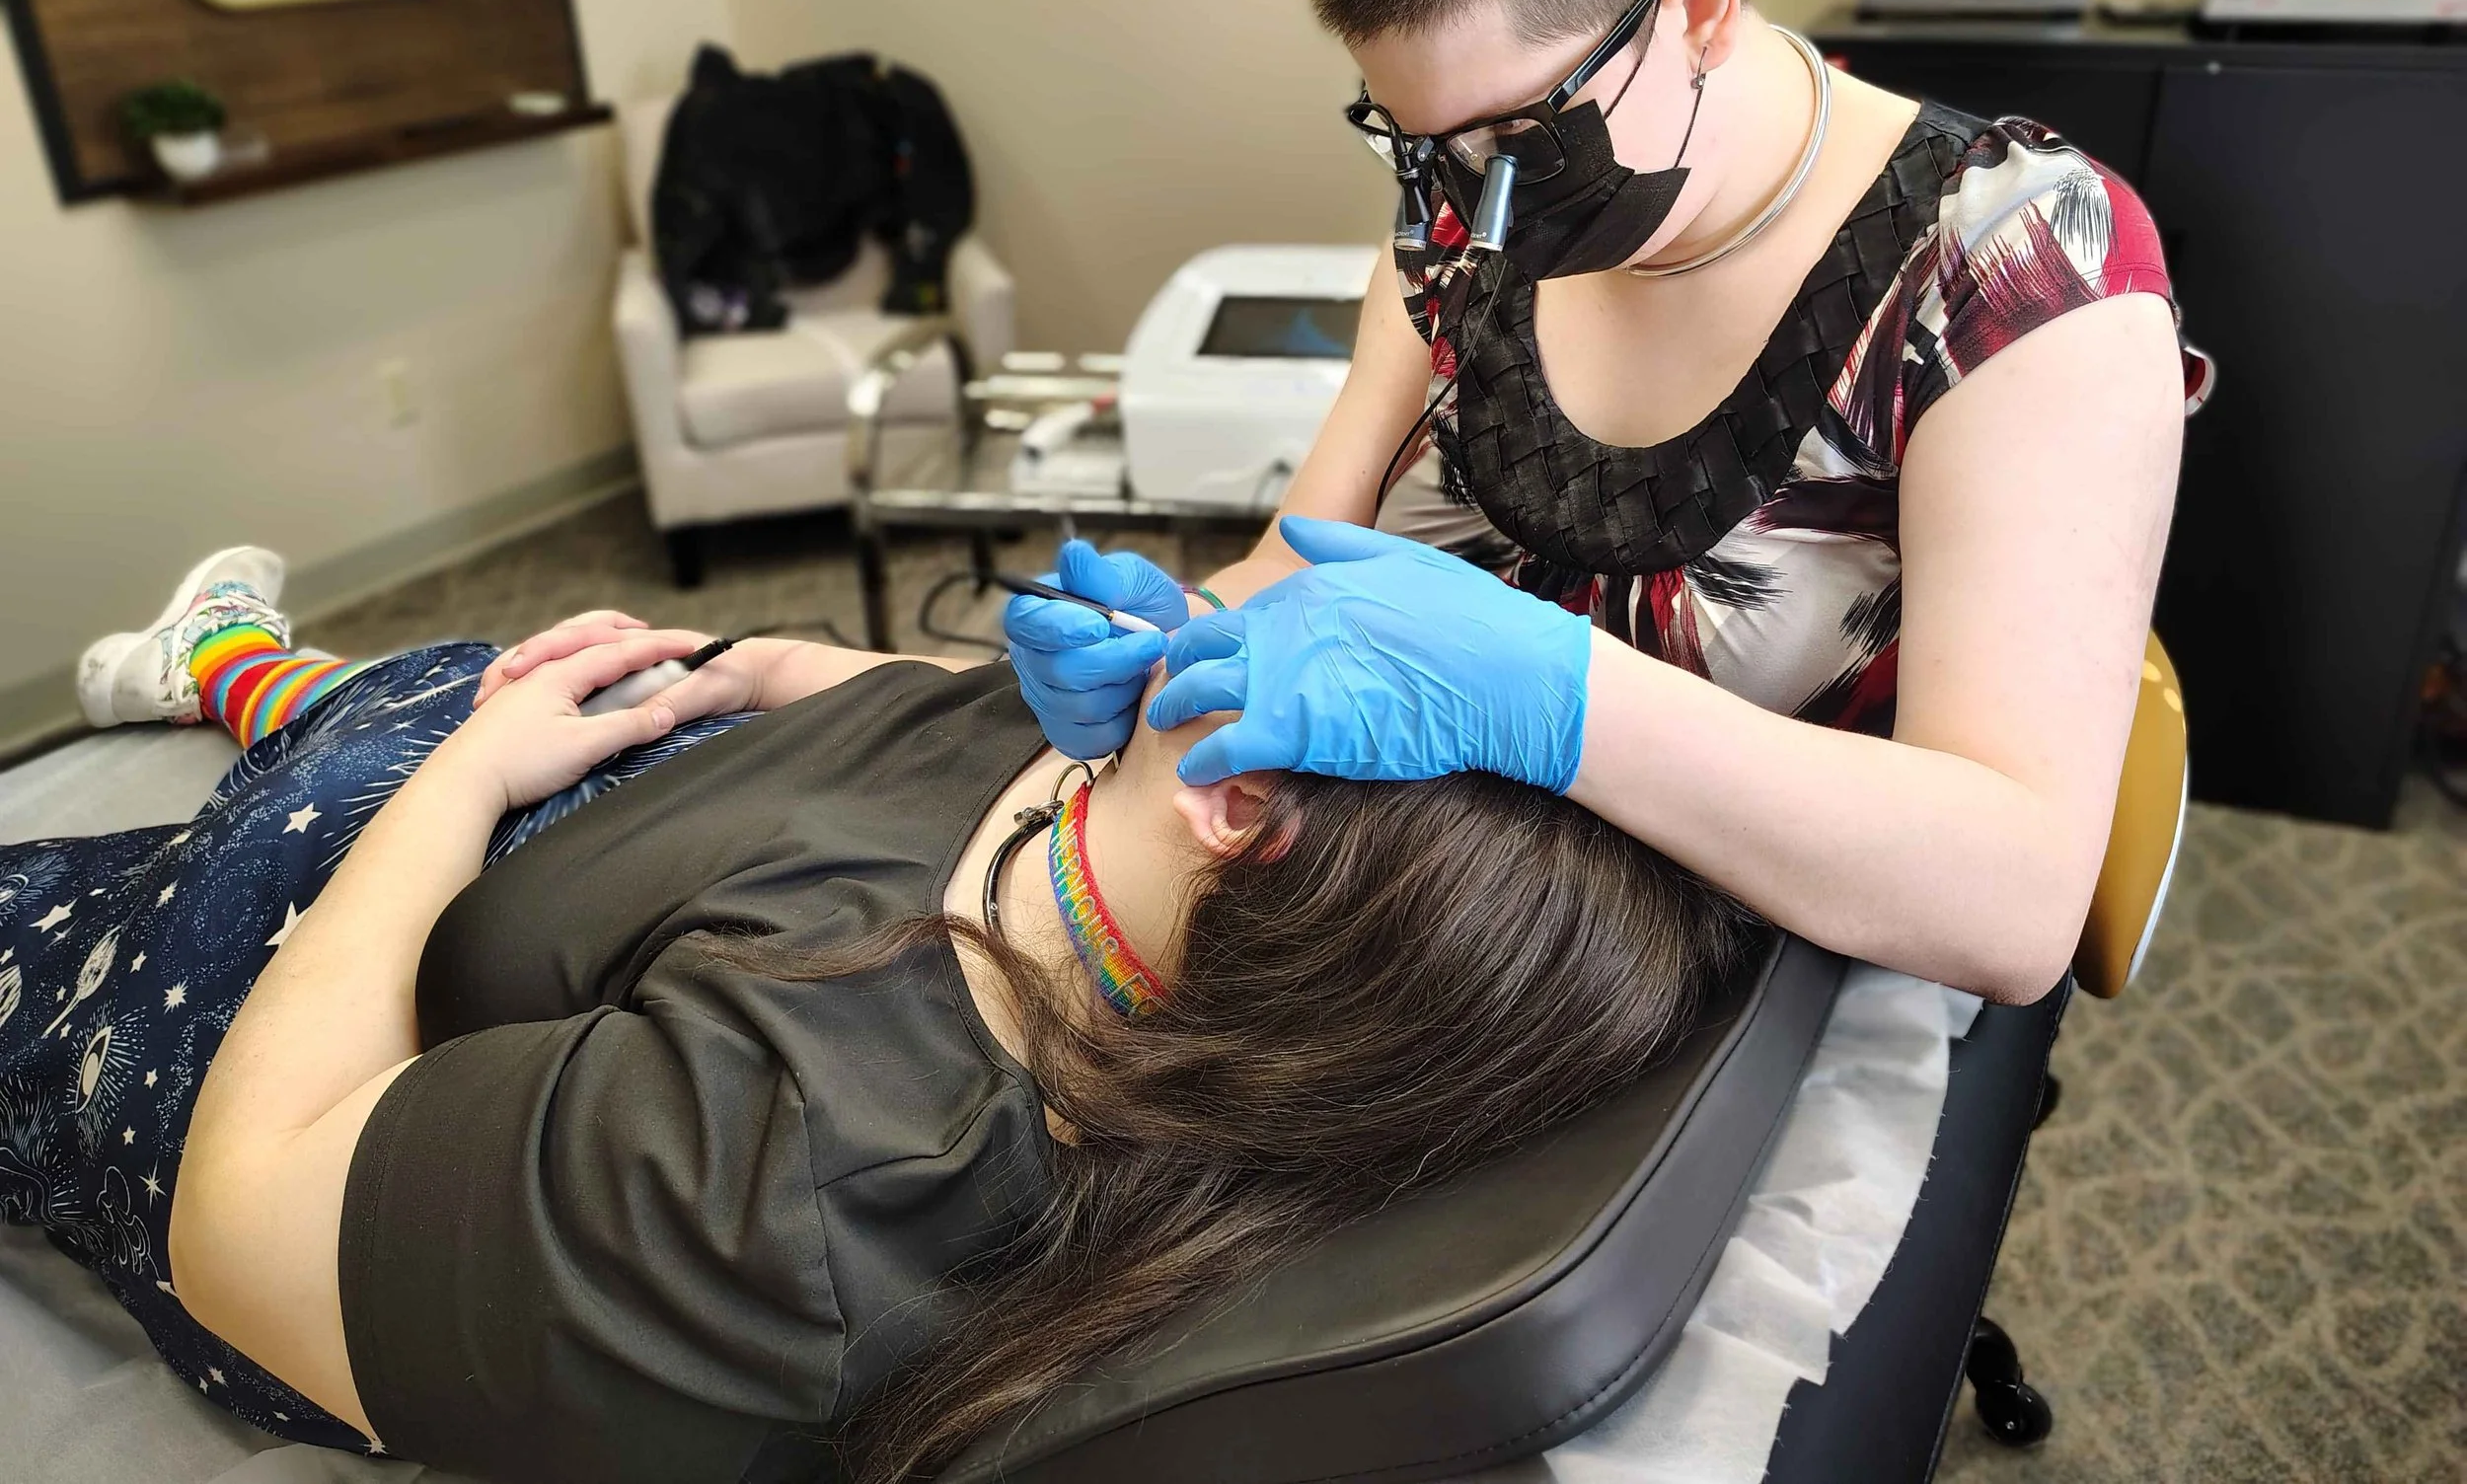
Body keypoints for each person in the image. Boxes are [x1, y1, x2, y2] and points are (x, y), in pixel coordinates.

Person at [7, 547, 1758, 1484]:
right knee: (395, 696)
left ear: (1246, 803)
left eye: (1265, 624)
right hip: (569, 773)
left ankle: (272, 697)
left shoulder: (784, 1188)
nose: (1215, 601)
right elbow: (888, 713)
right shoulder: (1145, 847)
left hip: (263, 1006)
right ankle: (236, 664)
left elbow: (245, 1219)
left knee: (334, 769)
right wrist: (772, 672)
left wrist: (459, 786)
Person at [1007, 0, 2201, 1007]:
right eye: (1423, 148)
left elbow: (2016, 903)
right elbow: (1300, 560)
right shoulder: (1459, 227)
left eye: (1521, 138)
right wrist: (1185, 637)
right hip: (1431, 926)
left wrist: (1563, 702)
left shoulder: (2017, 275)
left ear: (1699, 9)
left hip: (1749, 984)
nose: (1474, 209)